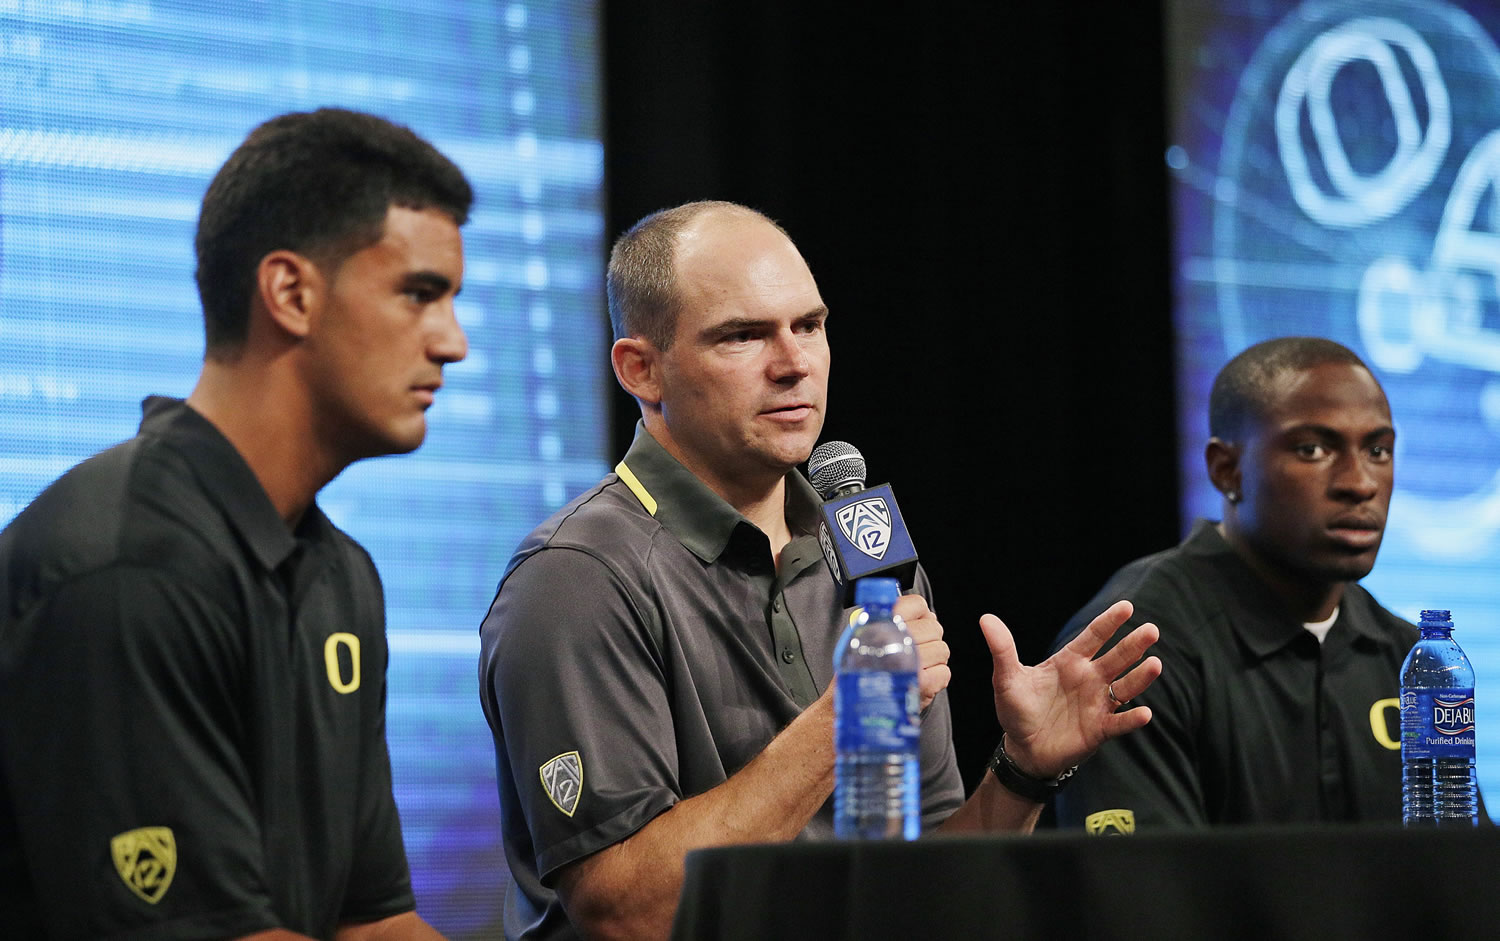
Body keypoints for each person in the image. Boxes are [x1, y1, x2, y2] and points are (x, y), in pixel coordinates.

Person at [479, 200, 1163, 940]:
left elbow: (922, 887)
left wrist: (1022, 772)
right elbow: (629, 913)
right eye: (743, 335)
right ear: (641, 368)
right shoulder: (576, 577)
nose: (794, 362)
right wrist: (845, 719)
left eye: (809, 325)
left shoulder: (871, 554)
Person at [0, 108, 471, 939]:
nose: (453, 342)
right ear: (290, 292)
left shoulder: (340, 575)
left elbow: (375, 918)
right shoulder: (128, 570)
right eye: (419, 293)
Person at [1050, 336, 1422, 833]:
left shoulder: (1405, 656)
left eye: (1378, 450)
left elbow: (1466, 881)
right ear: (1227, 470)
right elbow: (1142, 895)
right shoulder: (1140, 650)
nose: (1360, 483)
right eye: (1312, 449)